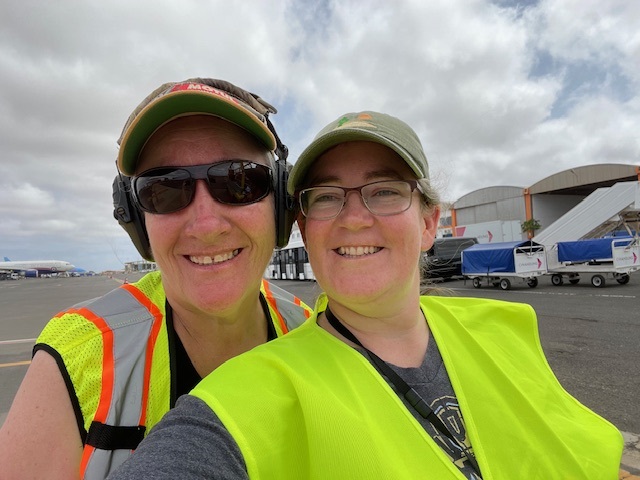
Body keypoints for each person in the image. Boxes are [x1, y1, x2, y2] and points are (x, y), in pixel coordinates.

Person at [108, 111, 623, 479]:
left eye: (384, 191)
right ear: (305, 230)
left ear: (427, 223)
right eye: (327, 197)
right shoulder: (255, 390)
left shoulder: (503, 328)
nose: (355, 217)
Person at [0, 78, 312, 479]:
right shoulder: (77, 357)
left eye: (240, 181)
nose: (206, 225)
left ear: (282, 205)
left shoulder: (307, 329)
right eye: (164, 189)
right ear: (137, 219)